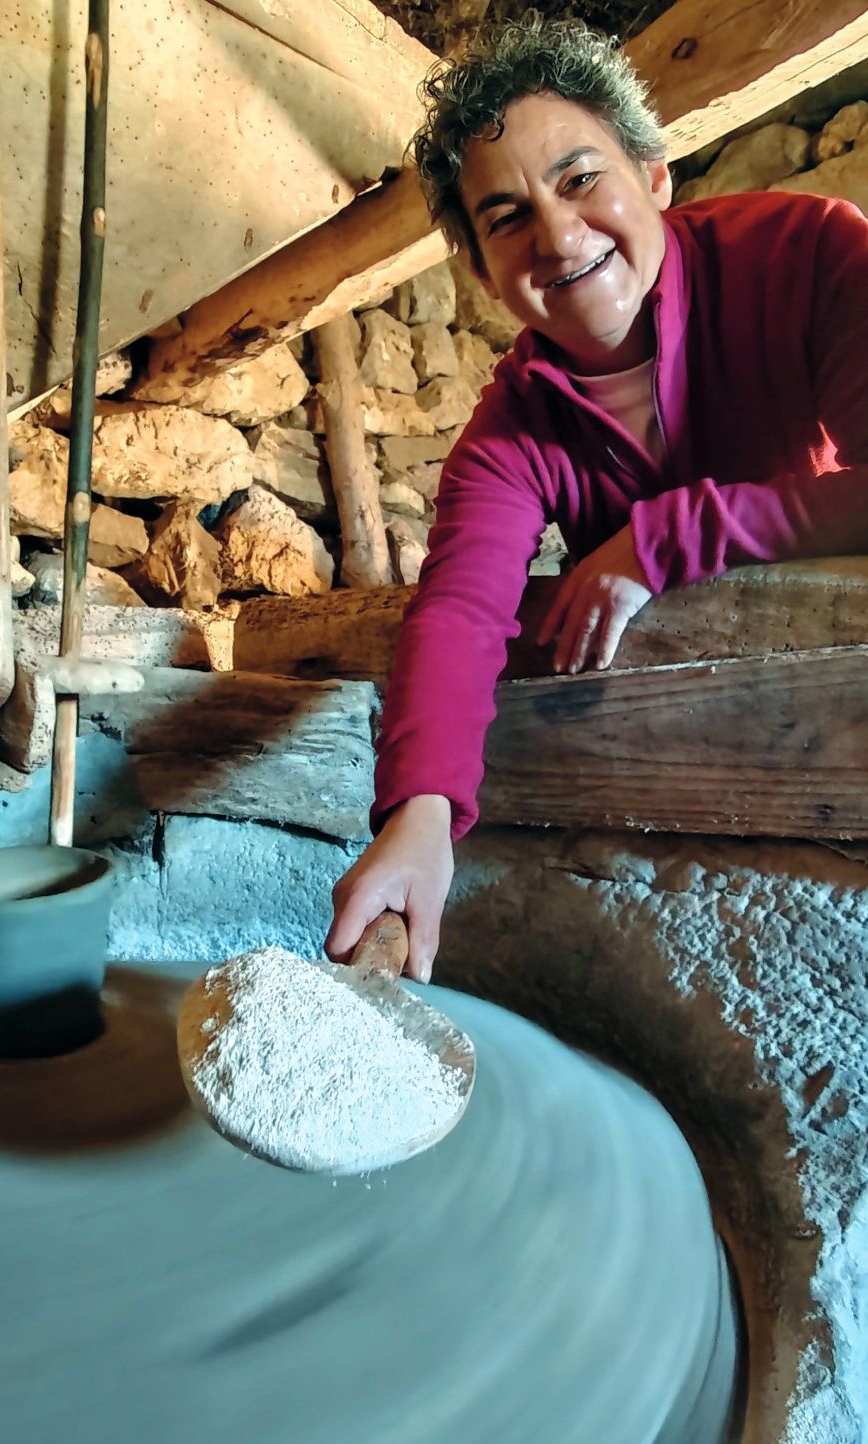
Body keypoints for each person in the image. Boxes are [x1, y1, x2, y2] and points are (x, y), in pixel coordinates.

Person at [326, 12, 868, 982]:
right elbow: (458, 609)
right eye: (506, 219)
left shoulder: (814, 253)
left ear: (655, 174)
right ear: (487, 276)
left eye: (580, 179)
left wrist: (662, 540)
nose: (558, 234)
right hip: (666, 788)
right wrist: (418, 816)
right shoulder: (510, 431)